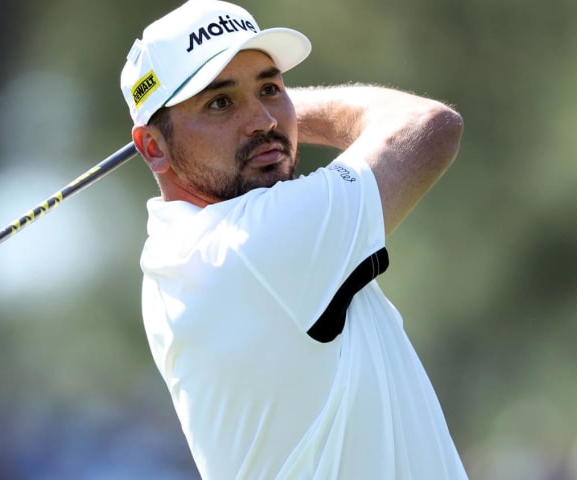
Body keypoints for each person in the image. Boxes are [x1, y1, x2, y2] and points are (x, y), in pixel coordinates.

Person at [120, 1, 467, 479]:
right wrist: (288, 107)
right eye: (219, 102)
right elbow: (428, 126)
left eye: (269, 87)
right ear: (154, 148)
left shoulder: (177, 254)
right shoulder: (248, 245)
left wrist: (255, 106)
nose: (263, 120)